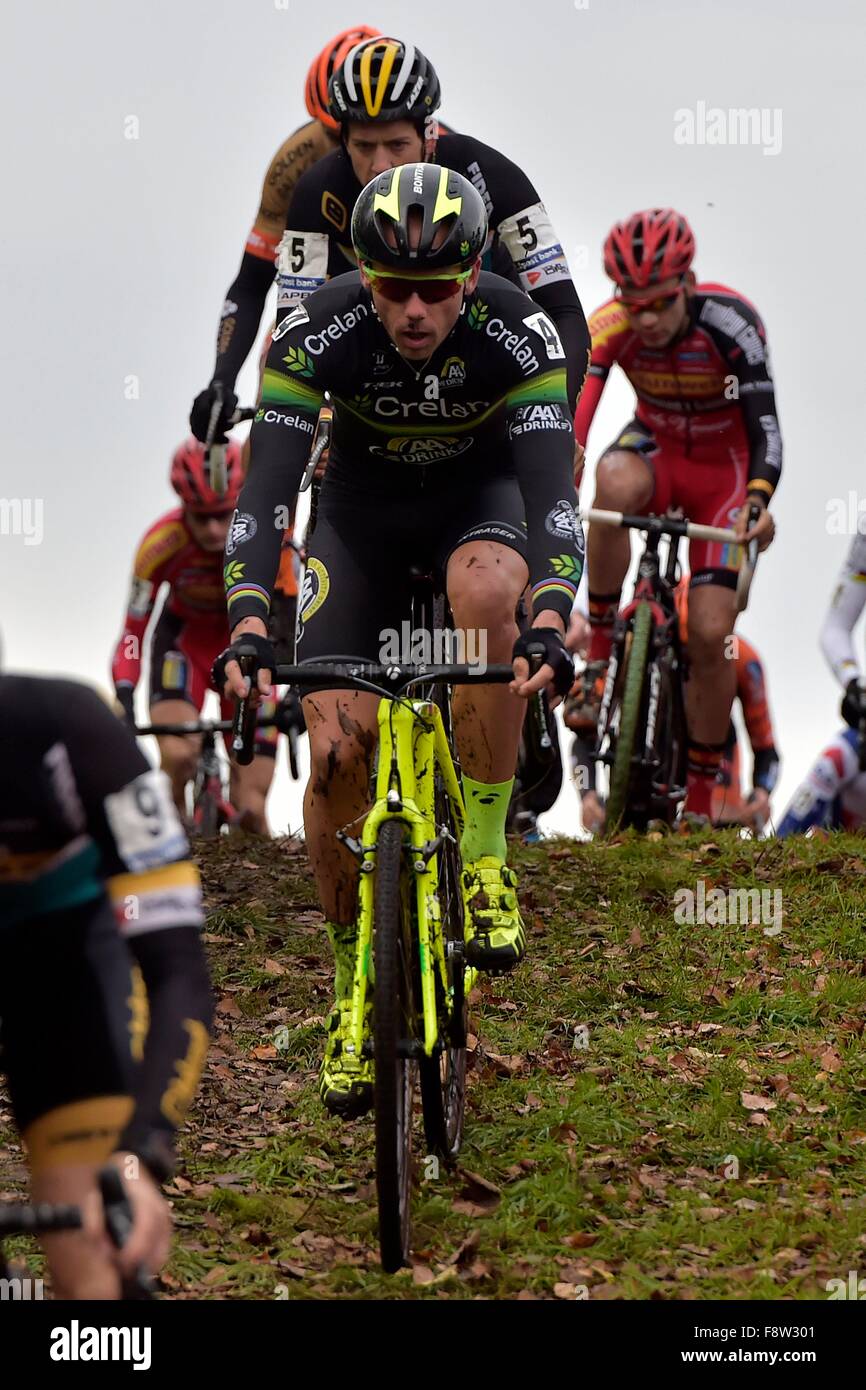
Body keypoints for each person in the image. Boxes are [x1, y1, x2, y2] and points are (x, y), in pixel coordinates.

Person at [215, 163, 583, 1116]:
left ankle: (493, 855)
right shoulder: (316, 333)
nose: (414, 311)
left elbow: (551, 500)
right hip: (360, 517)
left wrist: (550, 611)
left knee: (491, 592)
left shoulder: (519, 330)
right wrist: (251, 619)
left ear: (470, 278)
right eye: (392, 289)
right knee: (338, 747)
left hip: (480, 504)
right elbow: (265, 493)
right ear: (364, 279)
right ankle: (349, 991)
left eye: (434, 290)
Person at [190, 34, 590, 441]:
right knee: (275, 385)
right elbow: (286, 317)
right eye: (363, 146)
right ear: (341, 136)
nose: (381, 164)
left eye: (398, 145)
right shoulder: (311, 186)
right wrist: (229, 384)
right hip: (372, 312)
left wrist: (557, 419)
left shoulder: (482, 170)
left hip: (474, 310)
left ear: (427, 135)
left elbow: (563, 312)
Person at [0, 669, 212, 1299]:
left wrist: (136, 1157)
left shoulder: (71, 732)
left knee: (93, 1276)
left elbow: (177, 970)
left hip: (60, 966)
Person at [572, 208, 781, 820]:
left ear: (687, 285)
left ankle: (697, 798)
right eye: (633, 303)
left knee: (713, 636)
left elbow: (767, 429)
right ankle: (602, 657)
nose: (646, 318)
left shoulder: (733, 324)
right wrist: (567, 464)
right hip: (657, 450)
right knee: (608, 481)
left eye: (660, 303)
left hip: (725, 471)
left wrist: (760, 499)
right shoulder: (611, 324)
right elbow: (577, 421)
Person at [112, 439, 277, 832]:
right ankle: (171, 839)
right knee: (179, 757)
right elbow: (133, 630)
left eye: (223, 515)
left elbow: (290, 620)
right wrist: (123, 688)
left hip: (245, 650)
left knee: (251, 804)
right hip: (183, 648)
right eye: (200, 518)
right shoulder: (159, 544)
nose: (213, 529)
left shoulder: (269, 539)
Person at [564, 580, 780, 831]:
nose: (692, 666)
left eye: (701, 654)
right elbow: (584, 734)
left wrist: (762, 794)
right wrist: (588, 796)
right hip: (637, 795)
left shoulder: (741, 657)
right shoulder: (631, 645)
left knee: (713, 715)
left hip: (721, 804)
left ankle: (707, 806)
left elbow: (767, 749)